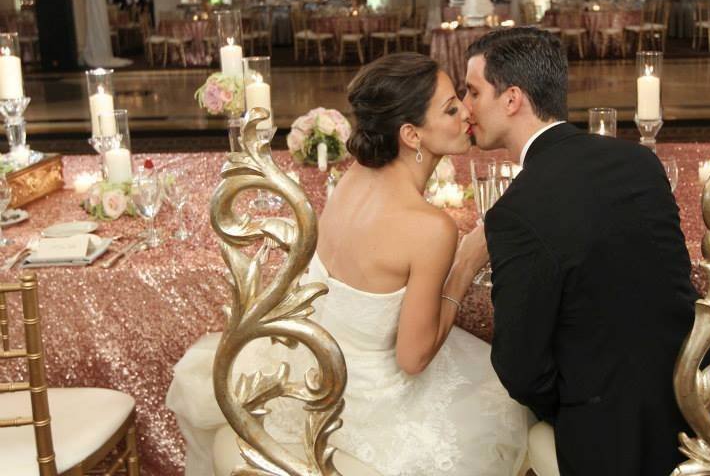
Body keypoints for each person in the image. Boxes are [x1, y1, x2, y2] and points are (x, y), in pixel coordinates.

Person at [167, 53, 531, 476]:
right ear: (411, 134)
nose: (467, 112)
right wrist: (465, 265)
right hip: (365, 405)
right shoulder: (432, 229)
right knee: (506, 399)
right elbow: (412, 360)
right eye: (451, 108)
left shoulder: (353, 177)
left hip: (309, 373)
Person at [462, 27, 710, 476]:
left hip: (621, 438)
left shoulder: (515, 212)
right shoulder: (638, 161)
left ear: (512, 99)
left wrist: (579, 401)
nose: (466, 107)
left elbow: (520, 370)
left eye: (473, 91)